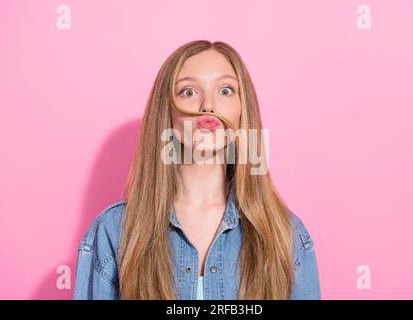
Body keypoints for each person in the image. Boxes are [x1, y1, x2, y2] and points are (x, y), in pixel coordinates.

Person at [74, 40, 321, 300]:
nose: (208, 105)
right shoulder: (115, 232)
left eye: (225, 90)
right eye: (188, 92)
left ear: (242, 110)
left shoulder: (286, 234)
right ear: (166, 112)